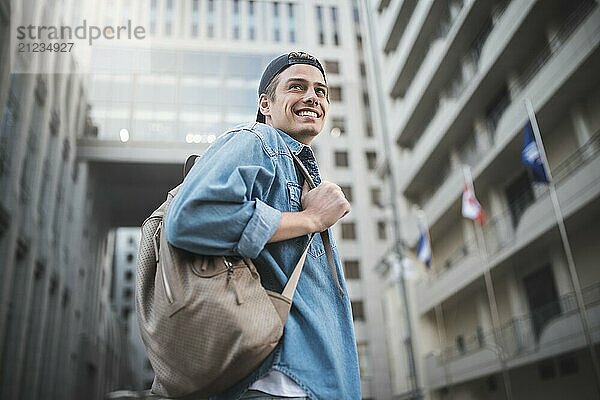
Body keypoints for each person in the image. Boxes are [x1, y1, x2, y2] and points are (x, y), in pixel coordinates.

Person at [165, 51, 361, 400]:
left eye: (320, 91)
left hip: (310, 383)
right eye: (296, 87)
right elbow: (190, 218)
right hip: (278, 383)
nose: (312, 98)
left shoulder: (297, 168)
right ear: (265, 104)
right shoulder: (257, 140)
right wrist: (310, 219)